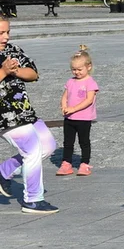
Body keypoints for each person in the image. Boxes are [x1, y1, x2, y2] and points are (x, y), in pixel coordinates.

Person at [0, 17, 58, 213]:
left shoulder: (12, 50)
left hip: (24, 111)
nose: (6, 36)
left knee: (48, 146)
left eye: (7, 32)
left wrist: (16, 71)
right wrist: (3, 71)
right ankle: (33, 199)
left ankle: (3, 172)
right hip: (4, 115)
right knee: (32, 149)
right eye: (1, 33)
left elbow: (34, 74)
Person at [57, 45, 98, 177]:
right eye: (73, 70)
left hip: (84, 118)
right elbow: (65, 95)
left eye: (79, 69)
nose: (76, 72)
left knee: (84, 141)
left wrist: (73, 108)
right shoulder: (70, 81)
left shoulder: (90, 82)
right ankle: (66, 163)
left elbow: (89, 100)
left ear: (88, 67)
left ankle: (84, 164)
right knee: (68, 142)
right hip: (69, 118)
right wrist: (64, 106)